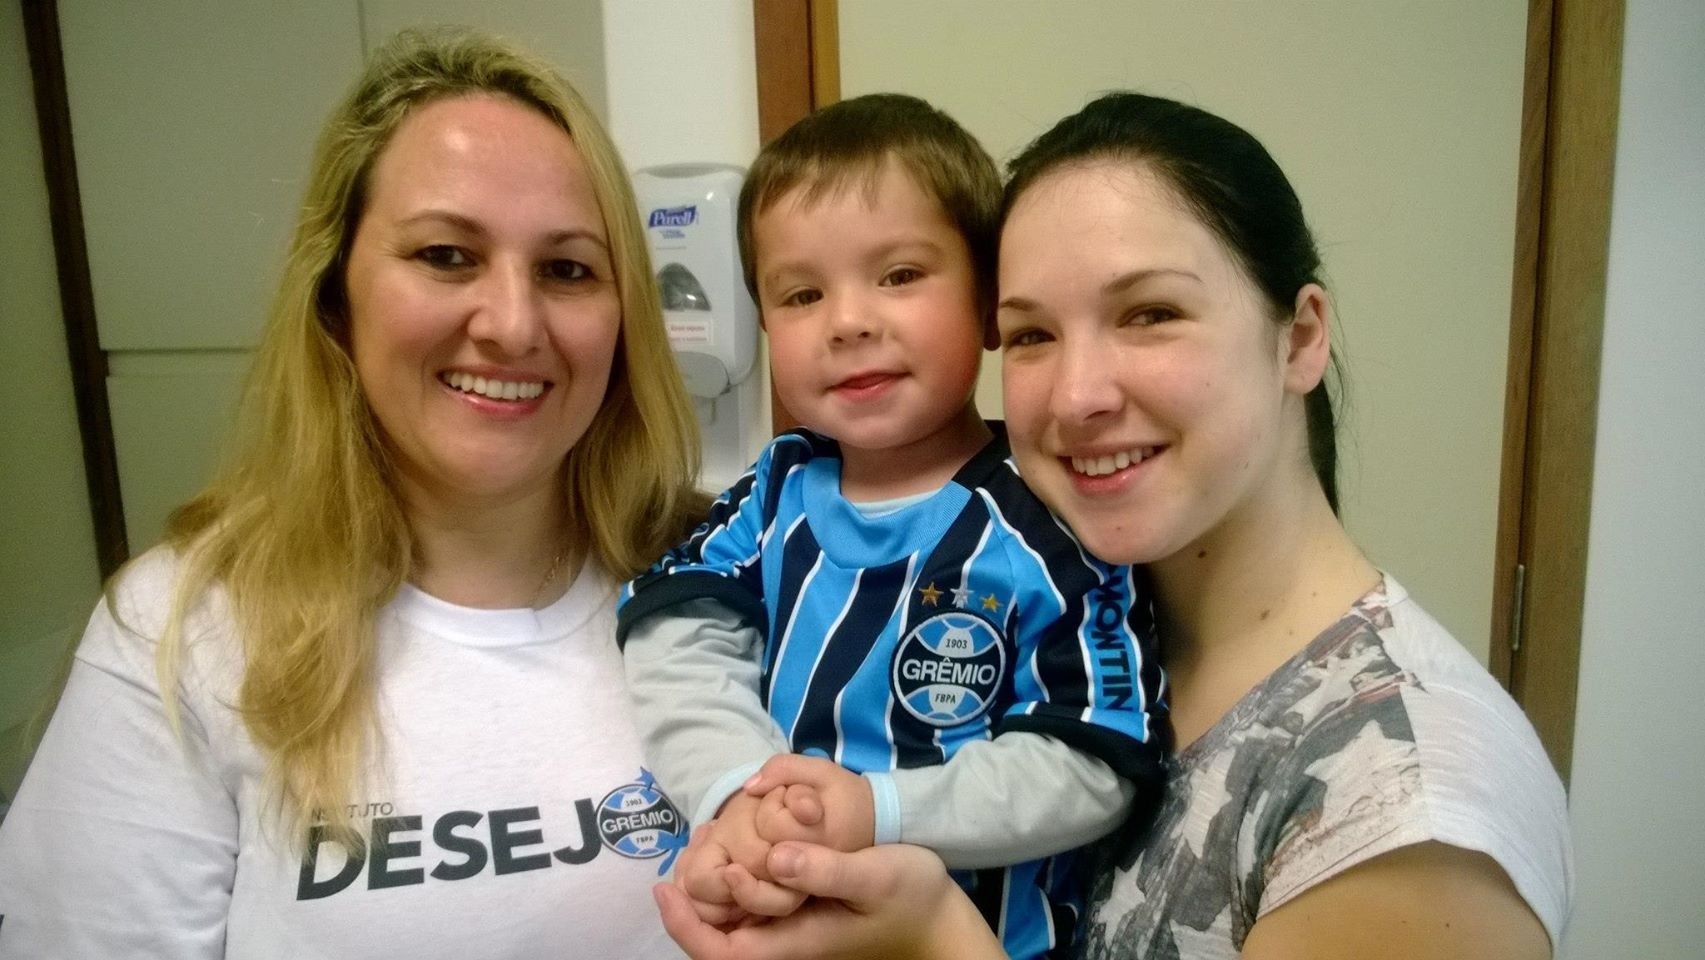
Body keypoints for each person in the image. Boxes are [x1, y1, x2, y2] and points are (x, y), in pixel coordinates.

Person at [655, 91, 1573, 960]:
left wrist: (933, 932)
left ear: (1297, 337)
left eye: (1150, 314)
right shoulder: (1084, 612)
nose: (1078, 396)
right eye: (1031, 335)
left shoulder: (1407, 805)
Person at [0, 27, 708, 959]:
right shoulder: (182, 633)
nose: (511, 323)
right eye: (447, 255)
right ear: (336, 294)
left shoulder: (726, 581)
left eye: (567, 269)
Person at [617, 94, 1168, 959]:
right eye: (800, 293)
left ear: (989, 300)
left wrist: (875, 811)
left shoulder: (1054, 524)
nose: (848, 321)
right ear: (764, 324)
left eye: (900, 275)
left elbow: (1092, 764)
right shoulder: (771, 492)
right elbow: (672, 641)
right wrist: (737, 794)